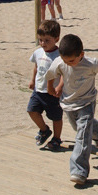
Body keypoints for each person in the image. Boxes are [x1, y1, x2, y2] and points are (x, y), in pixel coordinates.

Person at [45, 34, 98, 185]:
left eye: (71, 61)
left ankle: (78, 170)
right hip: (68, 103)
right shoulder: (60, 62)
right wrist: (51, 88)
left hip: (87, 102)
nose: (68, 64)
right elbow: (50, 74)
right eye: (65, 61)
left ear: (81, 54)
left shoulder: (91, 63)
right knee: (79, 129)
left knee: (82, 136)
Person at [27, 19, 63, 150]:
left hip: (52, 93)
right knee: (32, 110)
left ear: (56, 39)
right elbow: (36, 67)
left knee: (56, 117)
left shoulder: (59, 56)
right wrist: (32, 80)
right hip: (38, 90)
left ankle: (57, 138)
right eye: (40, 40)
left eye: (47, 40)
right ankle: (44, 130)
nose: (43, 43)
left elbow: (64, 73)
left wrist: (59, 87)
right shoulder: (38, 52)